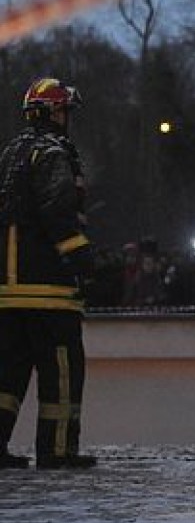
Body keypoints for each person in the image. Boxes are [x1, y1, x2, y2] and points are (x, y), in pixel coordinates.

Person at [0, 78, 96, 469]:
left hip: (6, 293)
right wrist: (82, 260)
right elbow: (58, 213)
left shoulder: (9, 154)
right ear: (55, 112)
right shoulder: (53, 154)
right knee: (61, 371)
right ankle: (56, 449)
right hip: (48, 291)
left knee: (7, 373)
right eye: (65, 111)